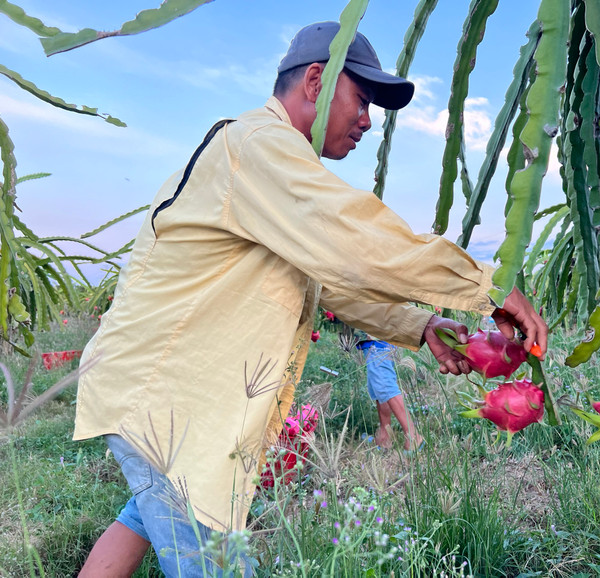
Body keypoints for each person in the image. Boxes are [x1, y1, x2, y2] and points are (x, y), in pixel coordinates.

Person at [76, 21, 547, 577]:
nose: (368, 120)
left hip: (162, 397)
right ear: (316, 82)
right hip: (167, 406)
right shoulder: (258, 146)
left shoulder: (267, 169)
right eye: (362, 99)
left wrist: (421, 326)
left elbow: (329, 286)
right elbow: (356, 241)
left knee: (141, 516)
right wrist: (485, 285)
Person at [356, 337, 423, 452]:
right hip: (377, 342)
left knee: (385, 387)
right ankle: (385, 437)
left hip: (377, 341)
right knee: (378, 388)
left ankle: (413, 437)